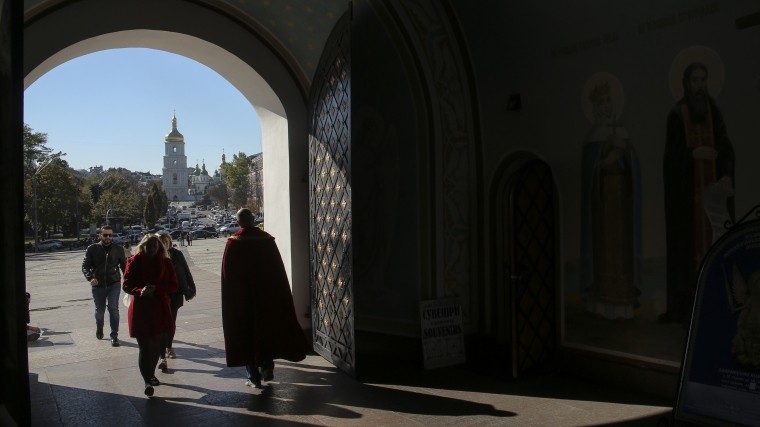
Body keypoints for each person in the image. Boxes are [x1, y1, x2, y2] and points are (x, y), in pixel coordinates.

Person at [662, 61, 735, 325]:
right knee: (688, 255)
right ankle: (688, 312)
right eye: (695, 80)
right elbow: (671, 160)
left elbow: (726, 147)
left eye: (704, 80)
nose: (700, 86)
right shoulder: (676, 114)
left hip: (712, 203)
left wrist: (726, 174)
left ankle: (717, 305)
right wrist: (693, 154)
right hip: (688, 206)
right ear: (686, 83)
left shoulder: (714, 111)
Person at [221, 208, 309, 389]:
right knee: (266, 330)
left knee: (247, 334)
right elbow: (278, 271)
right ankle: (267, 366)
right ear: (253, 220)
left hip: (245, 300)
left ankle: (253, 377)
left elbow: (228, 277)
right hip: (268, 297)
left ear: (238, 222)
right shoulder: (267, 240)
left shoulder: (234, 243)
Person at [580, 79, 642, 320]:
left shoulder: (621, 132)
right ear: (595, 107)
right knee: (603, 253)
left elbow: (634, 168)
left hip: (621, 206)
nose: (606, 106)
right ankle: (601, 303)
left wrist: (624, 151)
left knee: (621, 250)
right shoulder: (593, 136)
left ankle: (622, 306)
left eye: (608, 101)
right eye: (601, 102)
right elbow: (587, 175)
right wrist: (604, 162)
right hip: (602, 207)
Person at [122, 234, 178, 397]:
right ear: (143, 246)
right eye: (149, 246)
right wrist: (140, 291)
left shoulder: (165, 262)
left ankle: (151, 373)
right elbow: (126, 284)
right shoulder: (134, 261)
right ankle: (147, 380)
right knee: (144, 346)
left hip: (159, 307)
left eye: (155, 246)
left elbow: (173, 284)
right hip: (141, 307)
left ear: (159, 247)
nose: (152, 249)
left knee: (155, 345)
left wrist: (157, 289)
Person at [156, 231, 197, 372]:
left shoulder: (177, 254)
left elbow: (186, 271)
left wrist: (191, 288)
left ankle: (169, 346)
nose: (164, 244)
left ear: (170, 242)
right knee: (161, 323)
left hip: (176, 293)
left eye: (166, 241)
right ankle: (162, 353)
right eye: (161, 241)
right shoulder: (155, 256)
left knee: (171, 322)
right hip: (160, 295)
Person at [81, 225, 127, 347]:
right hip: (98, 285)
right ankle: (100, 327)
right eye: (105, 235)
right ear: (100, 235)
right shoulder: (92, 248)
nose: (108, 237)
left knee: (113, 308)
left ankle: (114, 335)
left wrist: (128, 281)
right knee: (100, 311)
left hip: (114, 283)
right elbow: (85, 266)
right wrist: (91, 278)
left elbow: (124, 267)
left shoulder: (118, 249)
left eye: (110, 235)